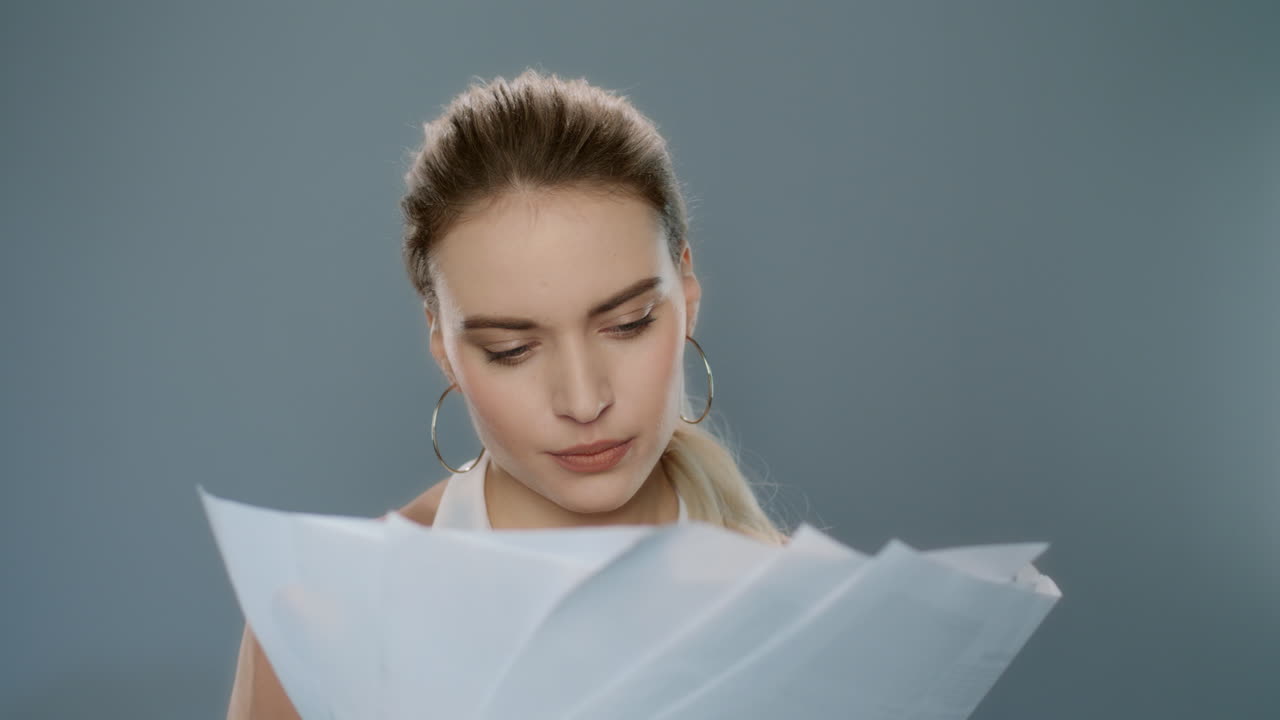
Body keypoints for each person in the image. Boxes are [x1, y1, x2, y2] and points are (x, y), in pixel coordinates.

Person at [225, 68, 788, 719]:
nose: (583, 400)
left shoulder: (802, 611)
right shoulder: (331, 617)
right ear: (442, 340)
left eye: (628, 323)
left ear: (685, 291)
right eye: (511, 350)